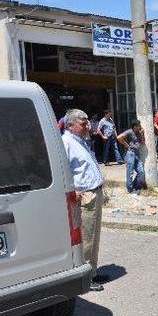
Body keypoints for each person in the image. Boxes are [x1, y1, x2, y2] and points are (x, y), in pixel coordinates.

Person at [61, 109, 107, 292]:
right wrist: (72, 191)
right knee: (86, 237)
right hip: (84, 196)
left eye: (87, 121)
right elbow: (62, 170)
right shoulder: (66, 143)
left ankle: (93, 271)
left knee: (94, 235)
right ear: (70, 125)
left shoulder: (80, 141)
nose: (87, 125)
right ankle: (86, 277)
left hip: (95, 192)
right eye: (83, 122)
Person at [117, 119, 145, 194]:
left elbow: (143, 143)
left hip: (136, 154)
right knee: (130, 172)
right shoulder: (129, 131)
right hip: (130, 153)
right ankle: (130, 189)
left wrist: (142, 134)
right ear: (135, 126)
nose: (140, 127)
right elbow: (119, 137)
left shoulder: (139, 133)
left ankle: (137, 186)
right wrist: (127, 145)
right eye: (139, 125)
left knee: (141, 171)